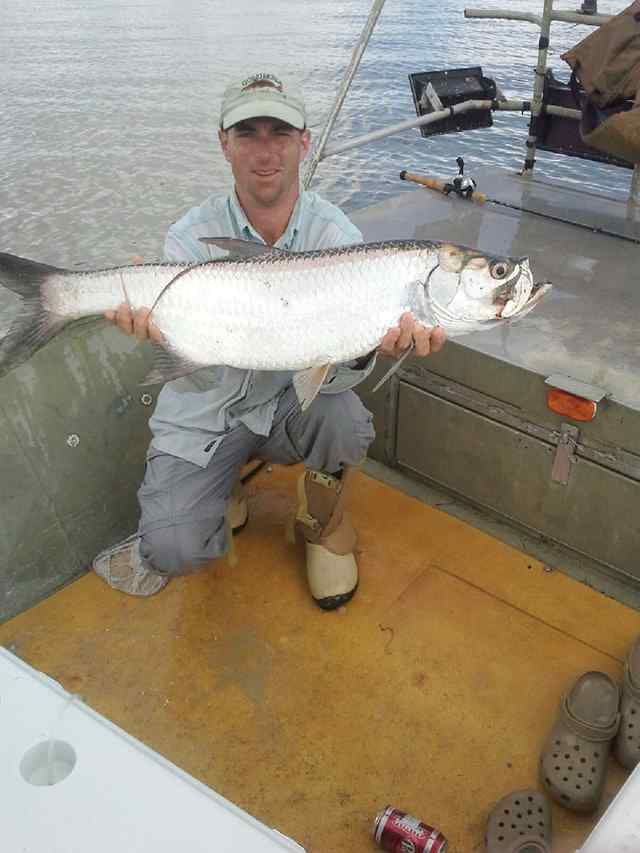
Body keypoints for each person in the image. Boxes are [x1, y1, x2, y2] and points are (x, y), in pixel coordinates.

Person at [92, 71, 446, 610]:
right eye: (248, 133)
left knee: (344, 419)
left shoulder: (338, 237)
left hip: (288, 409)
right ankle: (224, 485)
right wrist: (154, 331)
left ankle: (322, 524)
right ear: (224, 144)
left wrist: (374, 345)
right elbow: (197, 363)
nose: (265, 151)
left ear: (304, 143)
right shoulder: (190, 233)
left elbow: (336, 373)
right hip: (208, 415)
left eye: (279, 134)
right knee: (171, 548)